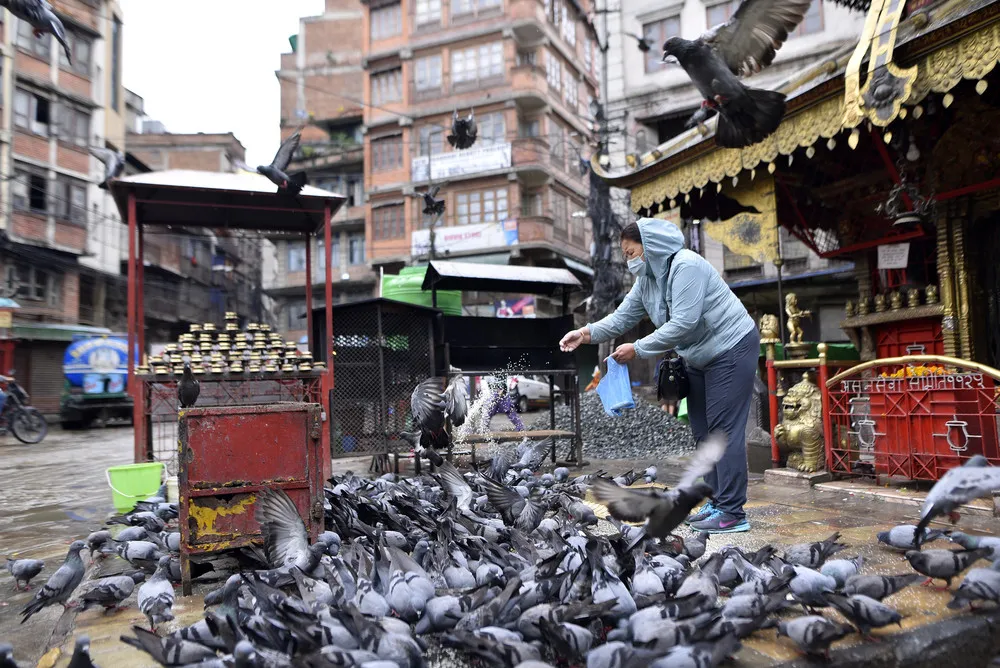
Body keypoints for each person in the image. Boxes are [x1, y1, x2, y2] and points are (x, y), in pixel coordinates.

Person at [560, 218, 759, 533]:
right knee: (702, 431)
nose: (629, 260)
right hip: (696, 355)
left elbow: (683, 323)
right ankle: (718, 502)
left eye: (631, 252)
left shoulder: (686, 266)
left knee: (724, 432)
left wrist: (637, 349)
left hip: (730, 348)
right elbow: (623, 316)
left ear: (650, 246)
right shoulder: (648, 280)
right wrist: (585, 333)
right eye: (625, 254)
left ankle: (733, 512)